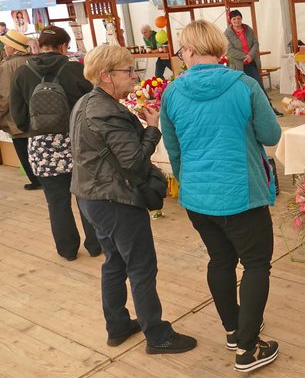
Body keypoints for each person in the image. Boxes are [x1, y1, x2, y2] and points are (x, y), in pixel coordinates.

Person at [161, 20, 281, 373]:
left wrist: (191, 183)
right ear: (220, 48)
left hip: (198, 196)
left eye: (182, 49)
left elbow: (173, 149)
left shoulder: (172, 93)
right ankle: (247, 348)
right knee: (256, 264)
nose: (181, 55)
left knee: (220, 260)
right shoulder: (244, 85)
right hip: (241, 193)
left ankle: (234, 331)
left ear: (191, 52)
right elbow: (271, 133)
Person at [70, 44, 197, 354]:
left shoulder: (87, 103)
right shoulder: (106, 110)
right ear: (106, 76)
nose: (134, 76)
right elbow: (134, 162)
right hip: (115, 200)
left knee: (114, 262)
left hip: (91, 197)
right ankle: (157, 335)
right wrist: (152, 129)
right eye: (128, 71)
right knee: (141, 266)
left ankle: (117, 325)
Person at [10, 25, 101, 261]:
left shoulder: (21, 73)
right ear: (63, 46)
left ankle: (67, 250)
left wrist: (37, 130)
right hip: (77, 143)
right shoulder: (74, 69)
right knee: (86, 196)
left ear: (39, 45)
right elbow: (92, 106)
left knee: (56, 202)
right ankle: (95, 245)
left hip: (41, 148)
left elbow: (18, 117)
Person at [0, 29, 41, 190]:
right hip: (39, 114)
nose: (4, 48)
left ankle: (35, 180)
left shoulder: (7, 65)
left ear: (12, 47)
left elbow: (5, 95)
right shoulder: (34, 60)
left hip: (17, 116)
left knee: (24, 150)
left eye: (5, 45)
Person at [224, 10, 283, 117]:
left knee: (259, 86)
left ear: (241, 18)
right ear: (230, 20)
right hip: (238, 66)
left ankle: (269, 110)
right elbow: (229, 50)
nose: (237, 21)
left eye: (238, 18)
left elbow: (255, 43)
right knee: (241, 89)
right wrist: (244, 56)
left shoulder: (248, 29)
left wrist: (250, 55)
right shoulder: (227, 33)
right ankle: (246, 113)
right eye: (234, 19)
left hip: (251, 63)